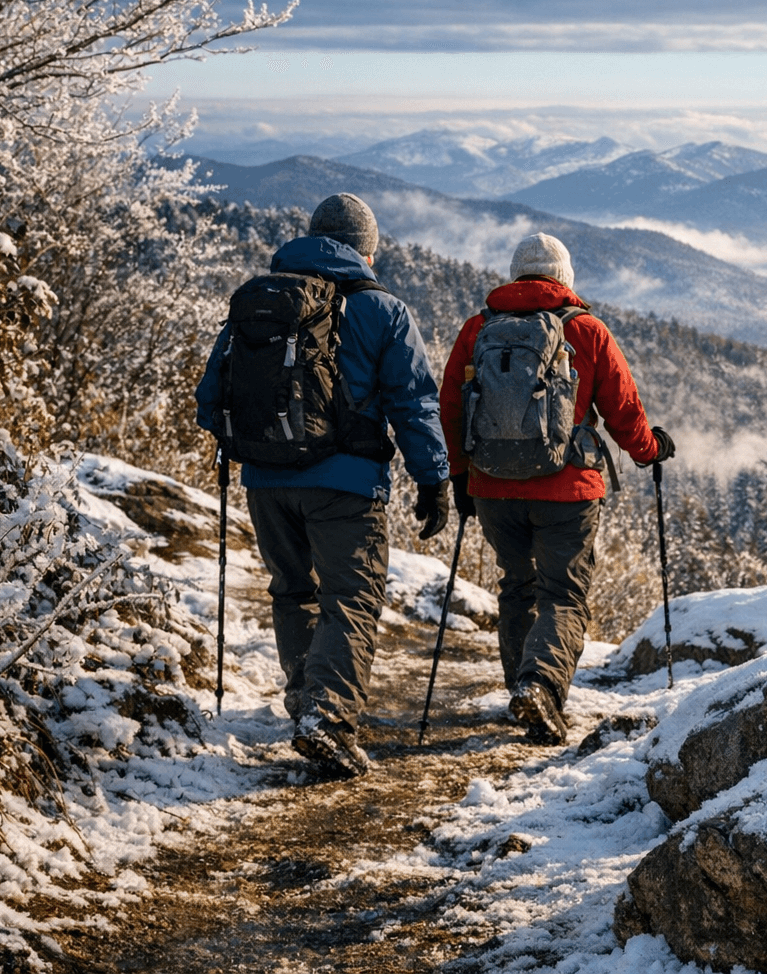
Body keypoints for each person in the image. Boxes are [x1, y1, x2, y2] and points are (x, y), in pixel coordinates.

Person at [195, 193, 451, 777]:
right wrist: (434, 479)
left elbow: (212, 398)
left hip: (264, 481)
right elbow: (413, 402)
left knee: (292, 591)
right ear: (367, 248)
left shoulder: (259, 302)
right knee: (350, 598)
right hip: (346, 483)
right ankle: (329, 717)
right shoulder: (382, 310)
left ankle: (306, 701)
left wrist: (253, 445)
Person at [439, 232, 673, 746]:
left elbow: (451, 407)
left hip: (494, 487)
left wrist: (459, 476)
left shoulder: (478, 328)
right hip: (567, 489)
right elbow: (622, 411)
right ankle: (539, 687)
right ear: (565, 280)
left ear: (516, 274)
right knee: (563, 595)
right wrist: (649, 451)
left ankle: (522, 688)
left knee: (517, 586)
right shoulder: (586, 330)